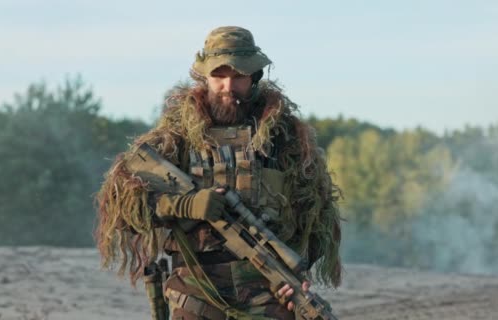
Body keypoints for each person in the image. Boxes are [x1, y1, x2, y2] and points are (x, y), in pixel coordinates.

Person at [95, 26, 342, 320]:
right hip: (196, 287)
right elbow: (122, 204)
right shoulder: (177, 137)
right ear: (205, 77)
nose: (228, 87)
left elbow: (314, 217)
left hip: (268, 291)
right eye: (219, 76)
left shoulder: (285, 138)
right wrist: (183, 205)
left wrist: (297, 277)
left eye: (238, 77)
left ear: (254, 77)